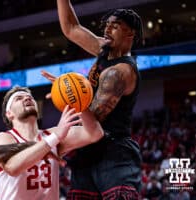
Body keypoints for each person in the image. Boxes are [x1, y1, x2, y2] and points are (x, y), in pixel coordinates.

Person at [42, 0, 144, 199]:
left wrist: (71, 93)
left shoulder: (120, 72)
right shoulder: (103, 48)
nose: (107, 29)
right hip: (87, 150)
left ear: (129, 34)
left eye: (115, 27)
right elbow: (71, 28)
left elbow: (94, 121)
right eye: (107, 25)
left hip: (114, 152)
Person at [0, 86, 104, 200]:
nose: (27, 98)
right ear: (9, 113)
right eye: (19, 98)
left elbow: (95, 133)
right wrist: (55, 137)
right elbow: (13, 168)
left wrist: (78, 101)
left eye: (30, 97)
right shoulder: (4, 138)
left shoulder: (52, 133)